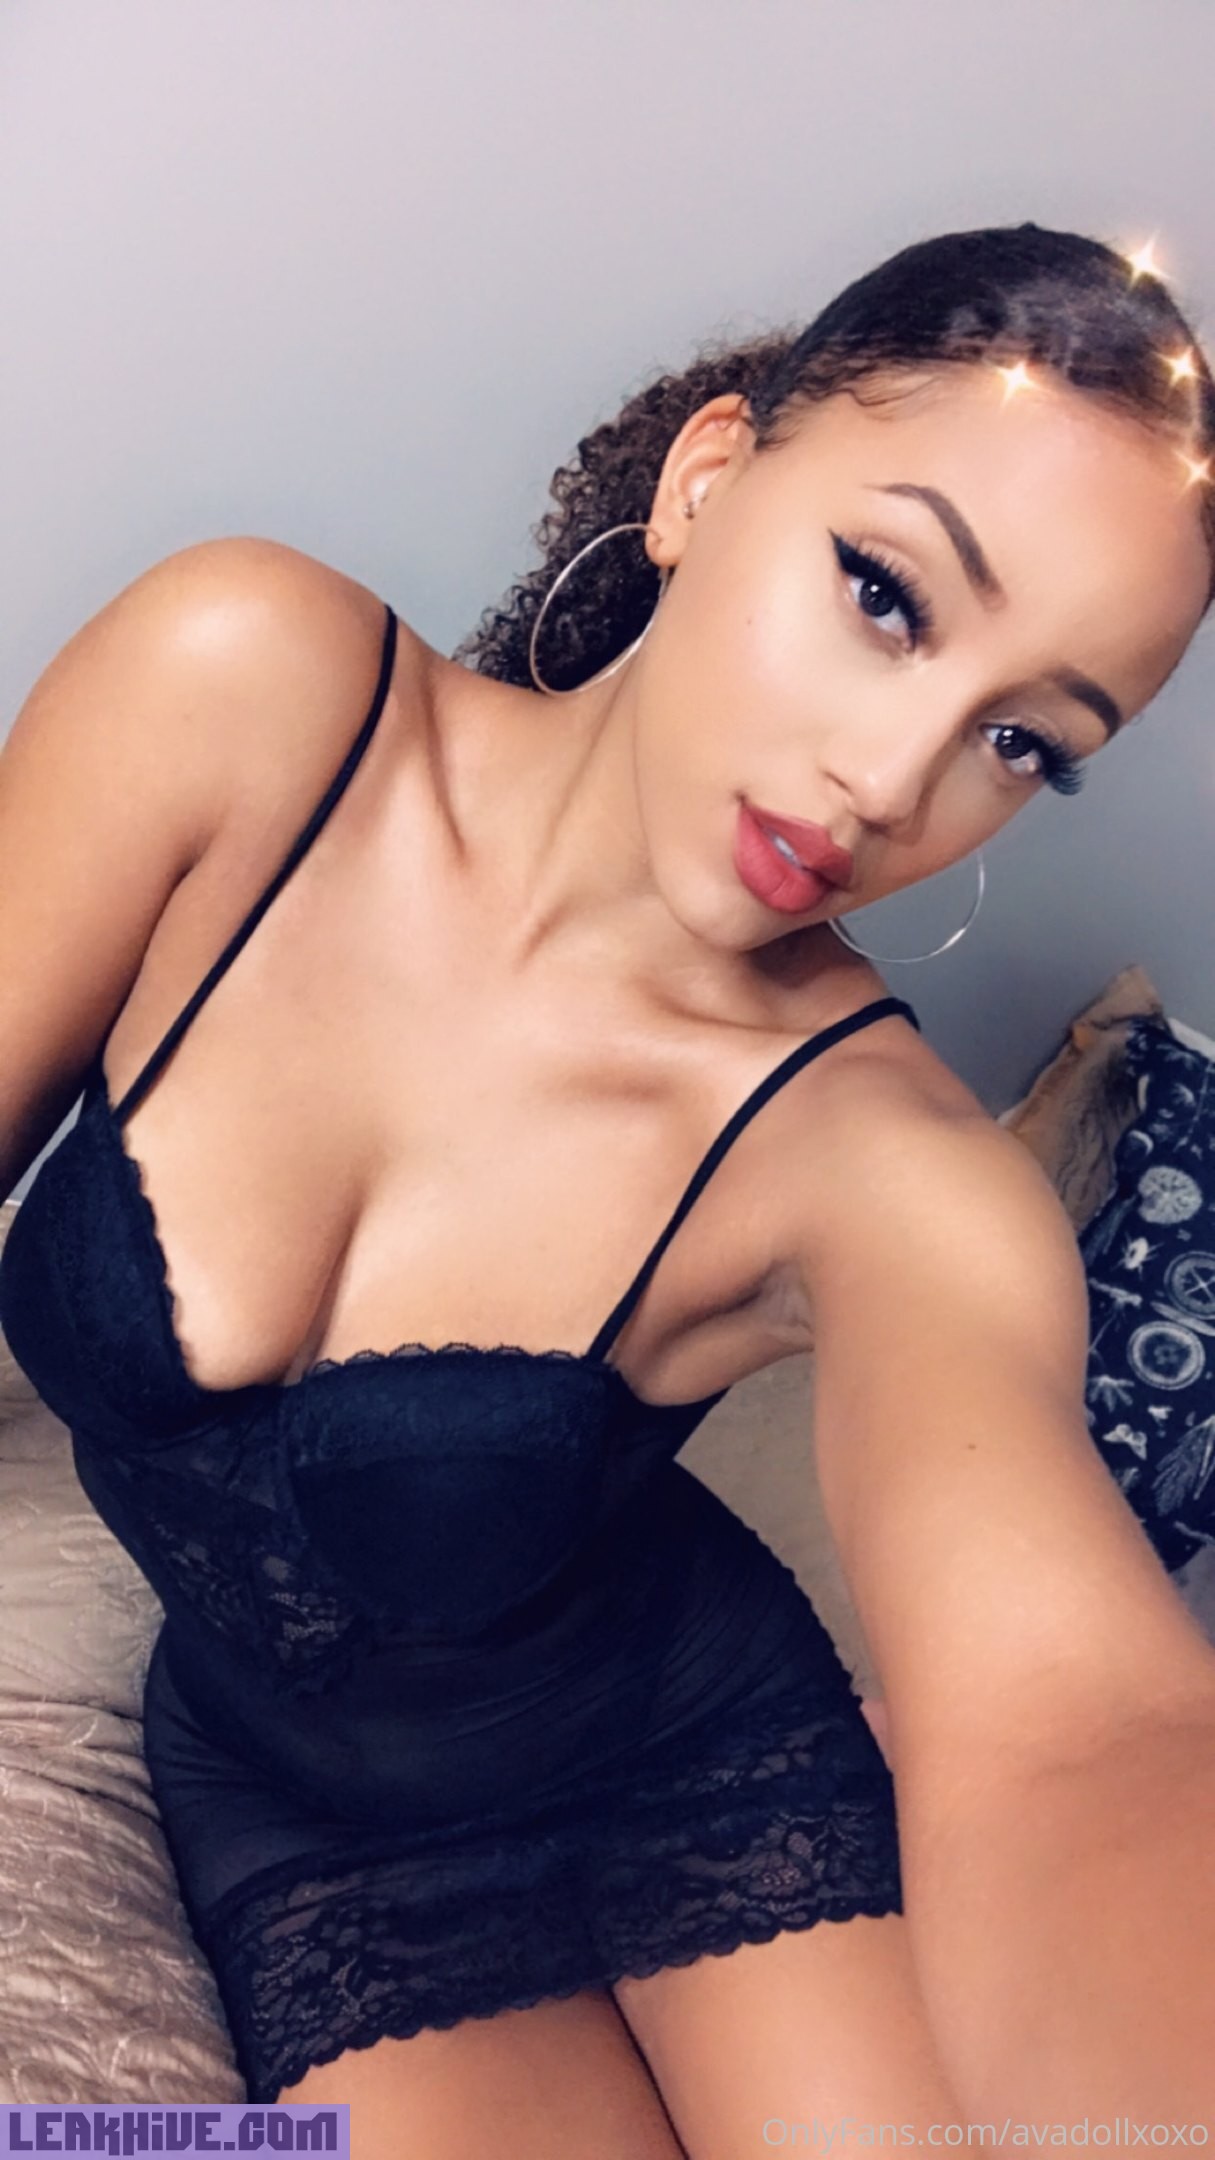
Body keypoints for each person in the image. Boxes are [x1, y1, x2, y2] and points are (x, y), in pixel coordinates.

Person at [2, 217, 1215, 2151]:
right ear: (709, 481)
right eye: (886, 594)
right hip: (305, 1824)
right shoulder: (246, 689)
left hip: (706, 1760)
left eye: (1021, 740)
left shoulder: (885, 1166)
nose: (893, 780)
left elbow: (1082, 1721)